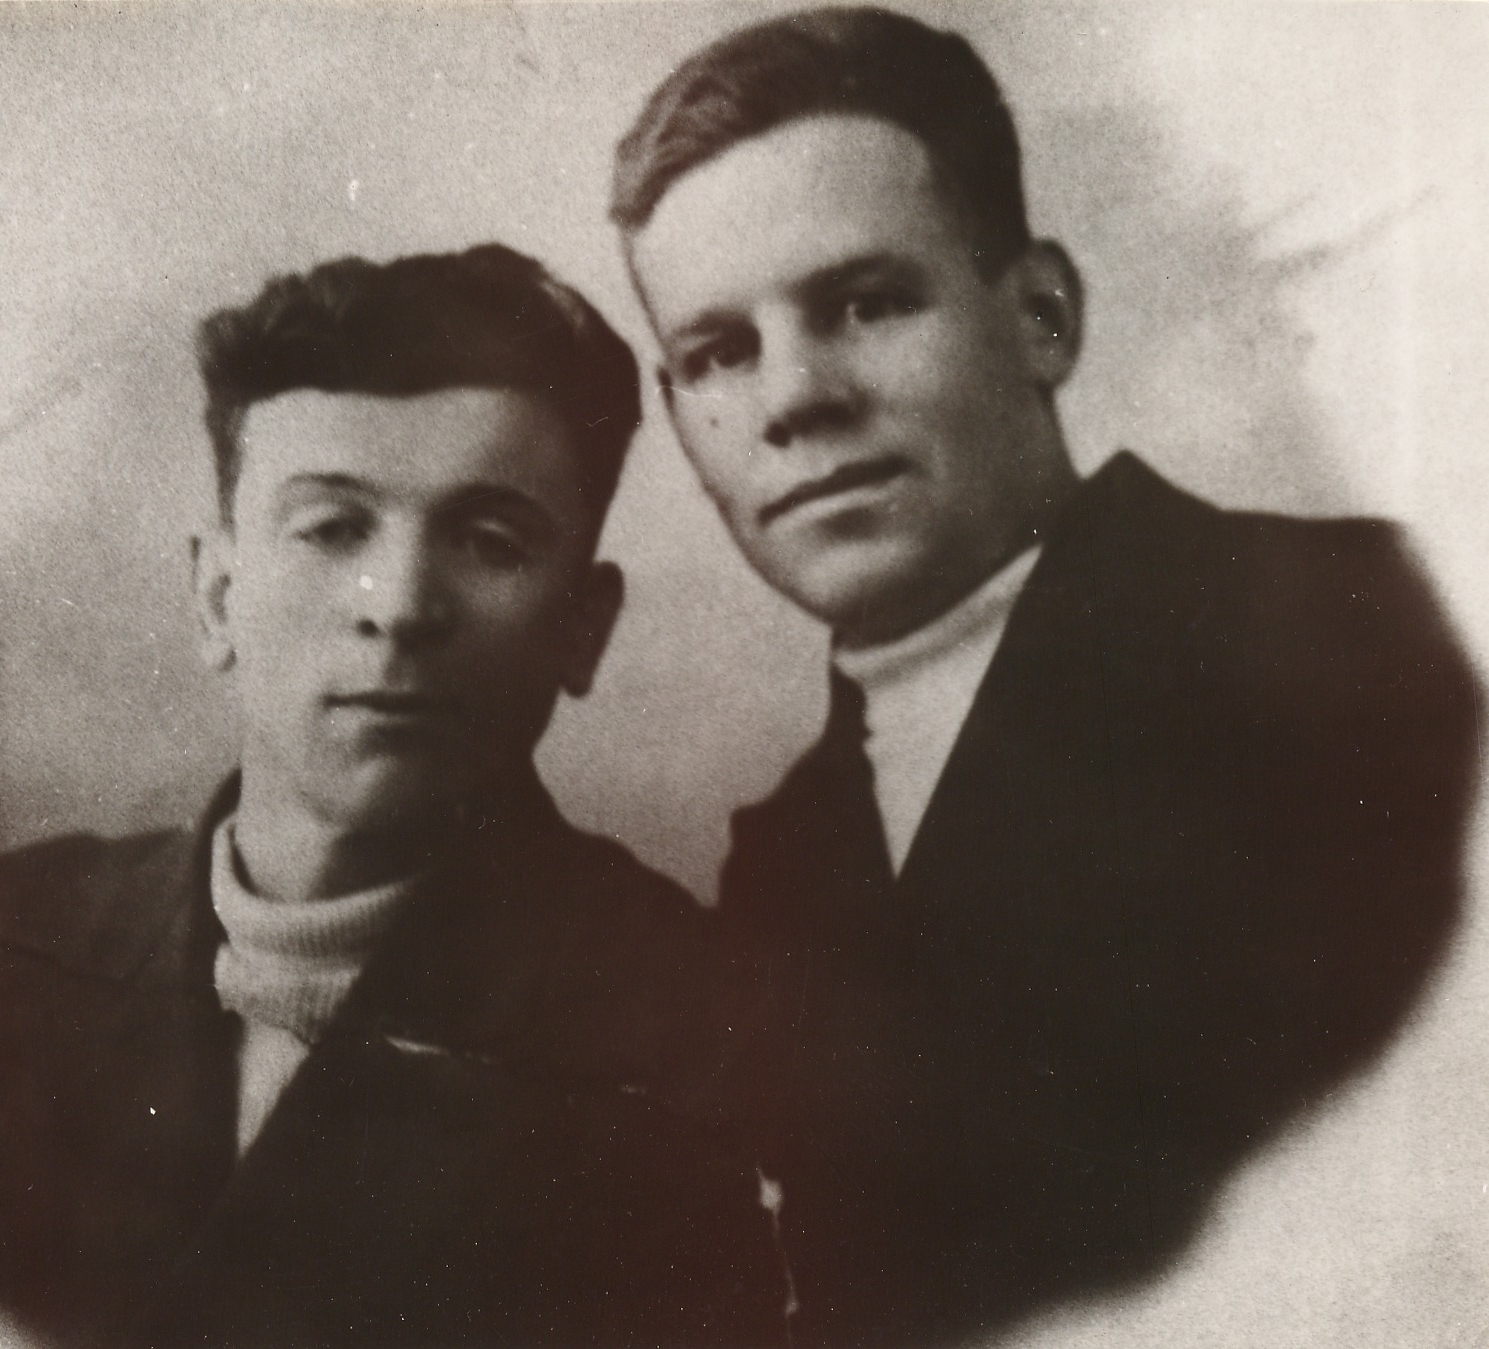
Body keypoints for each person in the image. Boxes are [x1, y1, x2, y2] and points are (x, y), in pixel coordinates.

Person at [612, 8, 1480, 1346]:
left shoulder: (1375, 631)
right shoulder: (788, 854)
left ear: (1041, 317)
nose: (792, 399)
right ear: (677, 415)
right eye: (719, 353)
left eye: (866, 303)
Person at [0, 245, 788, 1348]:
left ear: (582, 629)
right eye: (333, 528)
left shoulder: (699, 1028)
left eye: (490, 541)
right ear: (217, 596)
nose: (398, 606)